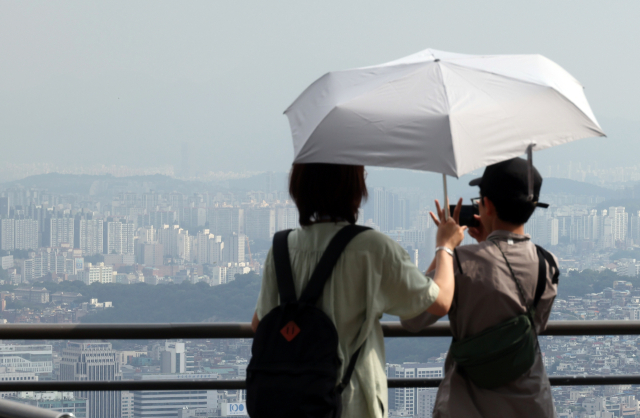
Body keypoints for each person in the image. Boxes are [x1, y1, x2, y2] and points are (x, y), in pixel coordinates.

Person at [251, 163, 466, 418]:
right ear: (354, 188)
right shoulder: (373, 248)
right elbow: (439, 301)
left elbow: (261, 324)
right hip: (352, 403)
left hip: (290, 405)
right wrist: (446, 247)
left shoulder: (281, 247)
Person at [402, 157, 559, 417]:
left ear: (486, 205)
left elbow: (412, 317)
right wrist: (488, 242)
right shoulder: (548, 263)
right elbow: (530, 325)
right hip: (532, 404)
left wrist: (445, 248)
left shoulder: (462, 262)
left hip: (469, 405)